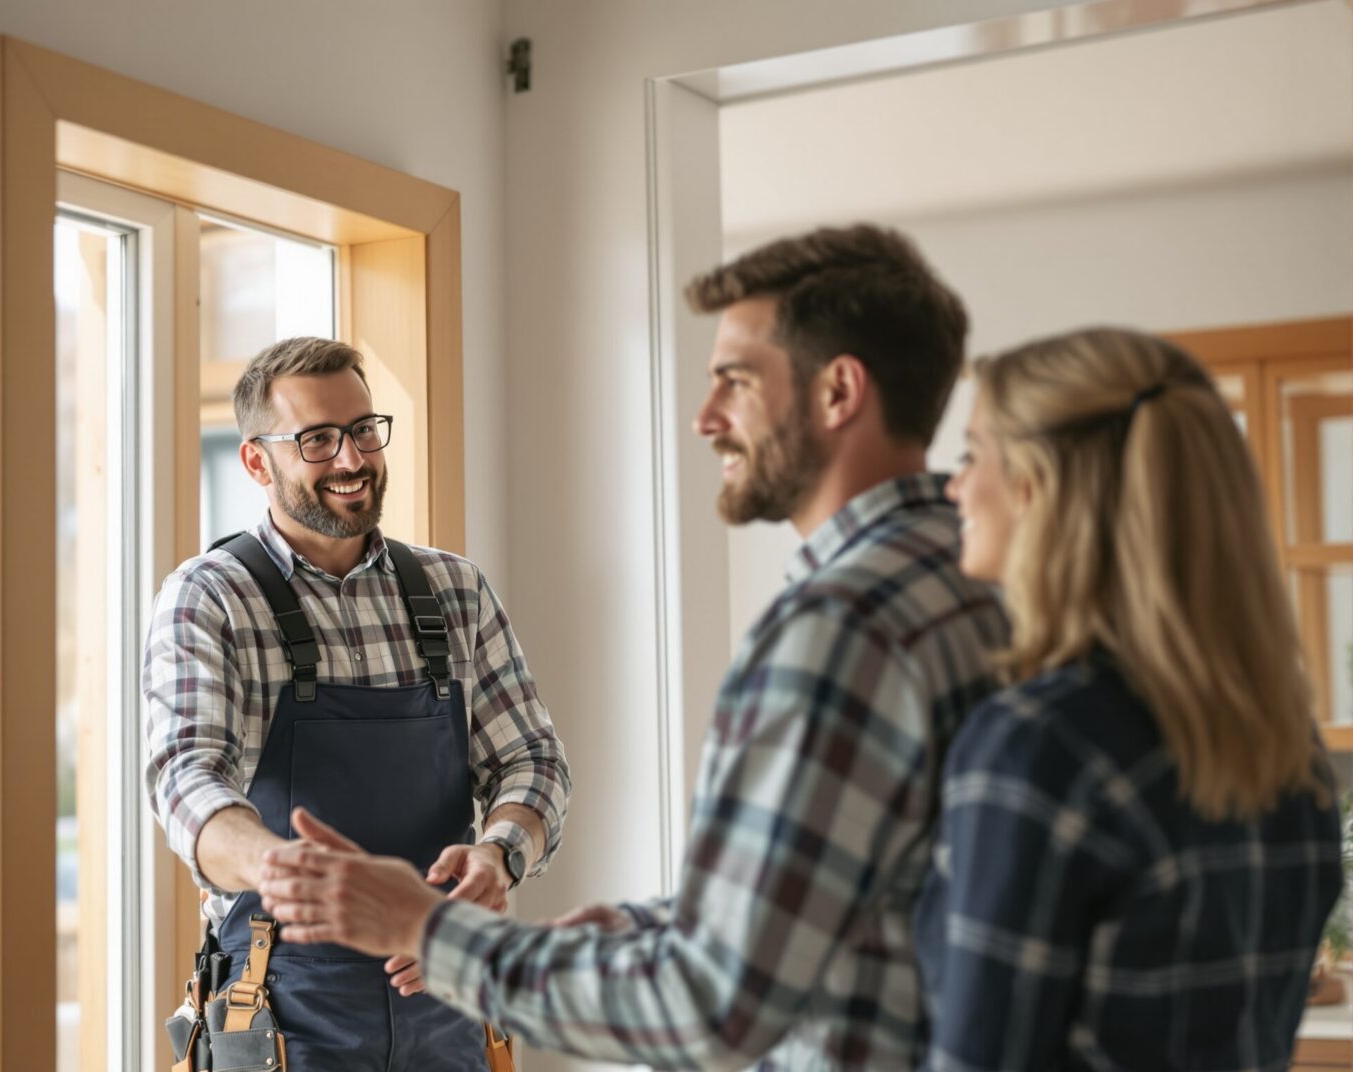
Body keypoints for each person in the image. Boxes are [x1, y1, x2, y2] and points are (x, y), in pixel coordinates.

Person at [259, 224, 1010, 1068]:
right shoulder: (978, 577)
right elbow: (848, 888)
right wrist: (647, 926)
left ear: (838, 392)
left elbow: (708, 1009)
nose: (705, 418)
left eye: (734, 380)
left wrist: (421, 925)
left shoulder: (836, 630)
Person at [914, 326, 1343, 1070]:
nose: (953, 487)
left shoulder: (1035, 746)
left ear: (1035, 486)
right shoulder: (1287, 749)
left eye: (970, 455)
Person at [143, 336, 571, 1071]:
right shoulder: (210, 597)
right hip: (283, 1012)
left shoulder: (453, 590)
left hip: (447, 994)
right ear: (256, 461)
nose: (351, 460)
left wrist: (499, 858)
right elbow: (184, 777)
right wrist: (287, 870)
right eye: (317, 440)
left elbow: (531, 759)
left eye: (364, 431)